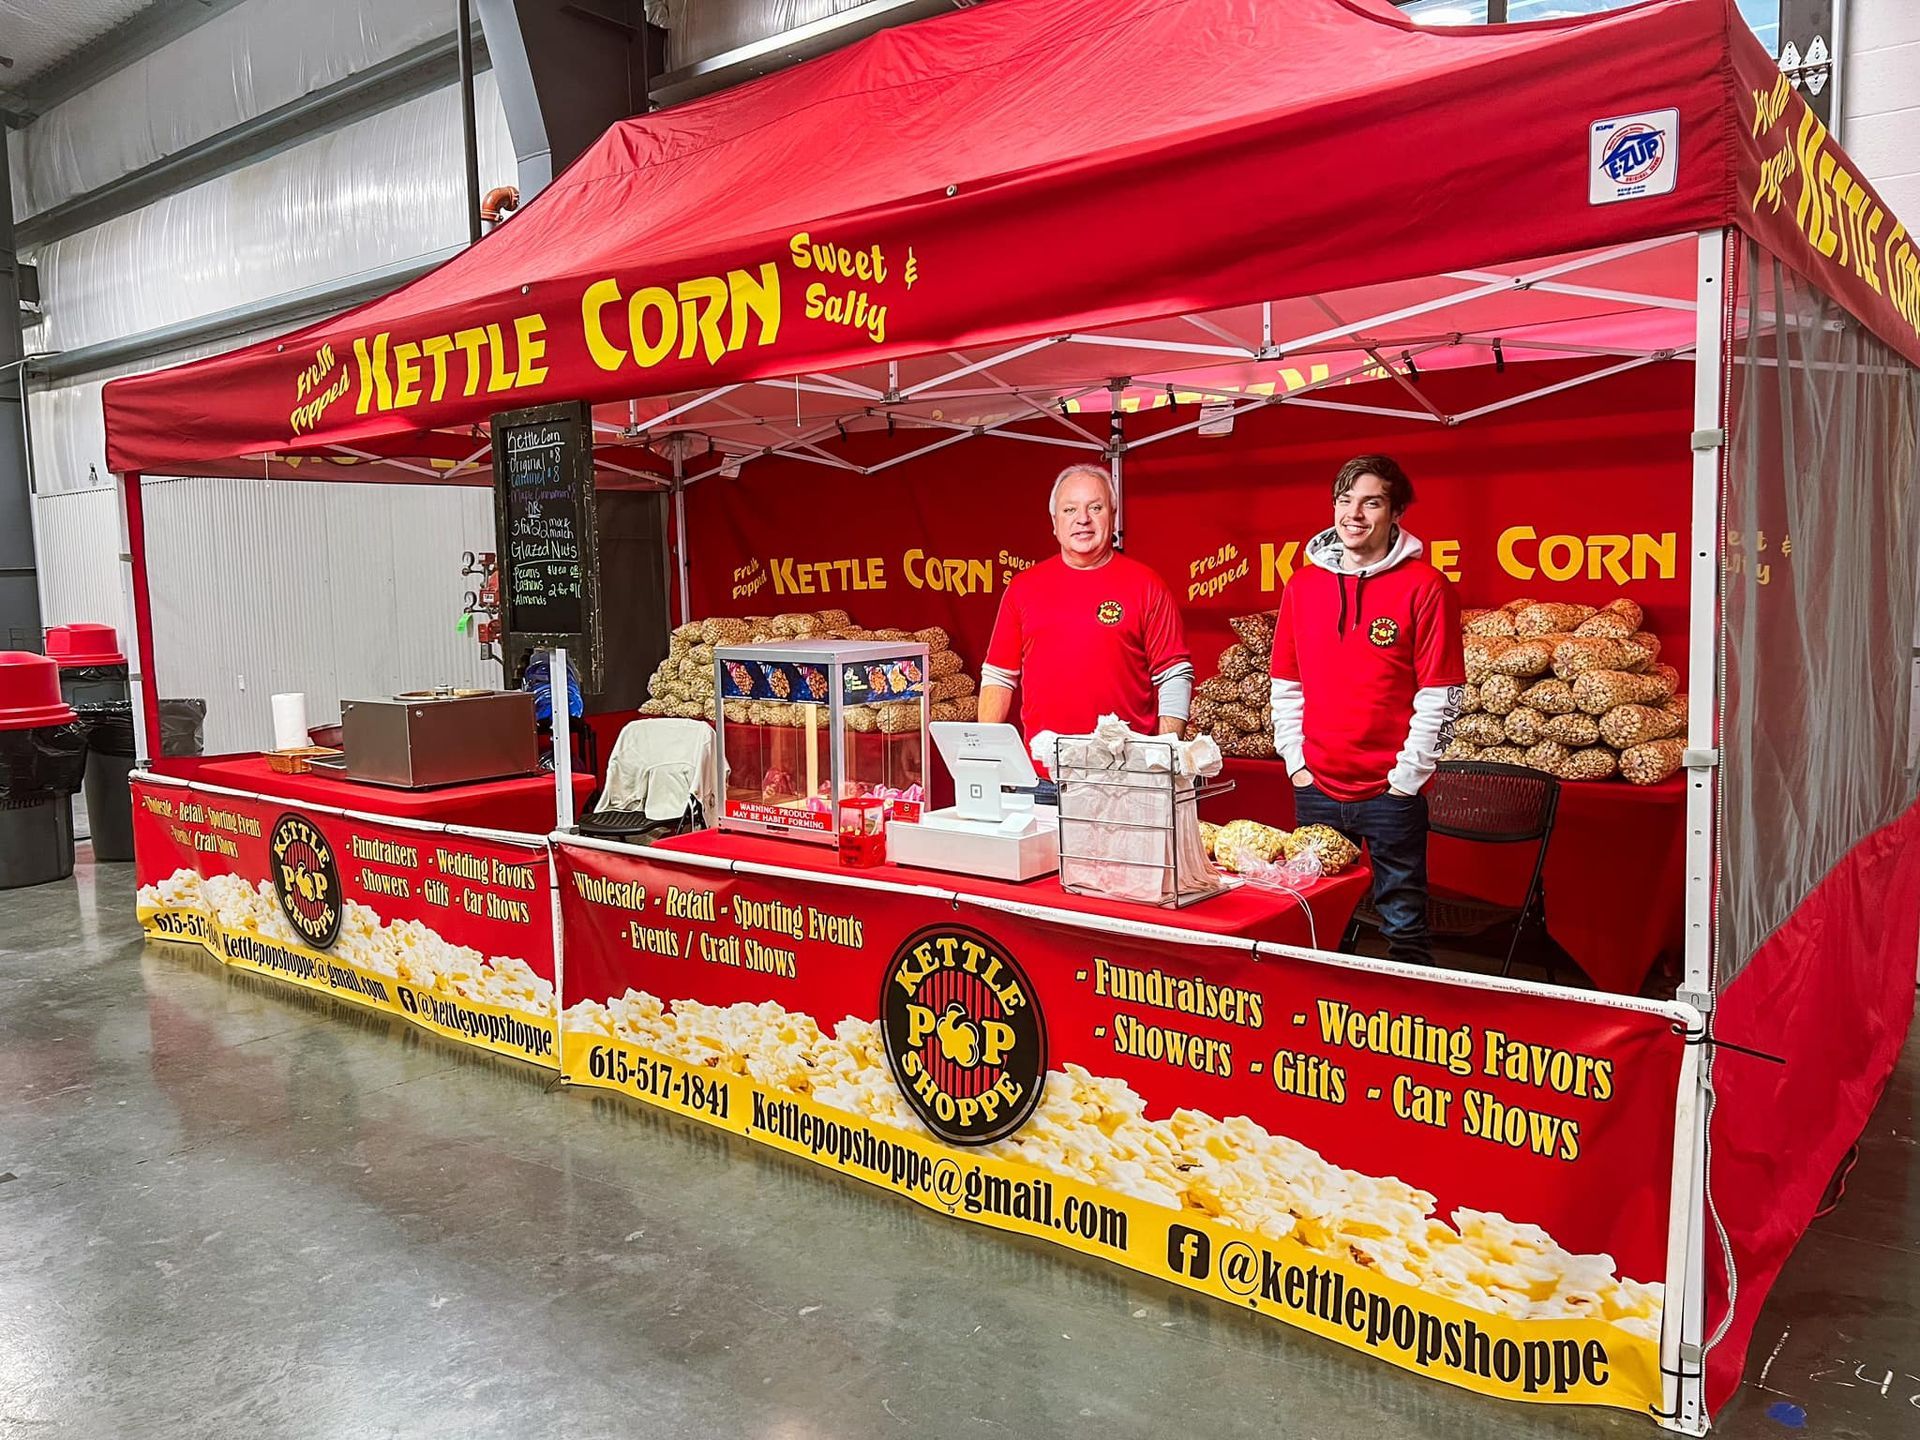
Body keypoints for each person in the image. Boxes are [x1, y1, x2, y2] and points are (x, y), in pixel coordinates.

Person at [1270, 454, 1463, 965]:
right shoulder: (1302, 586)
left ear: (1395, 511)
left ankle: (1411, 1020)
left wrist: (1407, 777)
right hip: (1317, 787)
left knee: (1403, 922)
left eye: (1371, 502)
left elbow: (1441, 691)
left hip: (1390, 791)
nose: (1353, 514)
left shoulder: (1426, 586)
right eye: (1345, 500)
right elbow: (1286, 684)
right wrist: (1297, 764)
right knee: (1314, 919)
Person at [980, 464, 1193, 747]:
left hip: (1126, 774)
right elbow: (999, 676)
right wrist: (983, 755)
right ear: (1054, 521)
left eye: (1095, 508)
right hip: (1043, 778)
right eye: (1070, 510)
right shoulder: (1022, 588)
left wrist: (1167, 753)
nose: (1083, 519)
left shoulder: (1147, 585)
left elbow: (1174, 674)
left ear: (1113, 517)